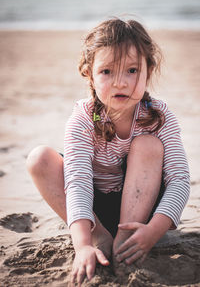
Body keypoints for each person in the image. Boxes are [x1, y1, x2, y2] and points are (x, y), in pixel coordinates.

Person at [26, 18, 190, 286]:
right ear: (89, 74)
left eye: (132, 70)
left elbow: (179, 180)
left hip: (142, 213)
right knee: (39, 159)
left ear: (150, 69)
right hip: (95, 212)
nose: (120, 83)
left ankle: (125, 241)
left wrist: (154, 230)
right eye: (107, 72)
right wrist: (81, 246)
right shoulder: (83, 120)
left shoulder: (159, 117)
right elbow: (77, 183)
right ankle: (100, 236)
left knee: (148, 144)